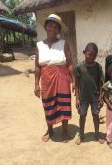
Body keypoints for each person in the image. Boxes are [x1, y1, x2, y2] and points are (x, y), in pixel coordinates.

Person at [34, 14, 75, 142]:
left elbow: (69, 63)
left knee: (64, 104)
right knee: (48, 104)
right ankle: (50, 131)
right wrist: (36, 84)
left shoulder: (64, 44)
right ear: (46, 27)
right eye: (50, 25)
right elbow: (37, 67)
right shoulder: (39, 45)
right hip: (46, 79)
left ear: (58, 30)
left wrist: (73, 80)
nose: (52, 28)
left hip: (62, 77)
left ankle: (64, 131)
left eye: (56, 27)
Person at [74, 43, 105, 145]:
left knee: (95, 114)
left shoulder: (98, 67)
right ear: (84, 53)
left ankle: (97, 134)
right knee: (82, 115)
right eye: (89, 54)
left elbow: (101, 83)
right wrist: (77, 99)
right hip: (83, 97)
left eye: (94, 55)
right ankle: (81, 135)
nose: (91, 57)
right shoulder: (79, 67)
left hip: (95, 97)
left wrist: (101, 97)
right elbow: (77, 84)